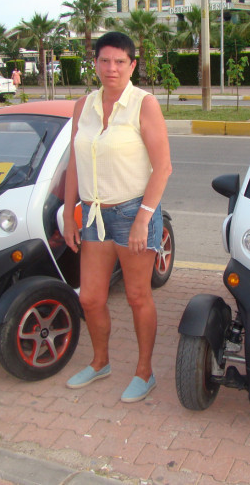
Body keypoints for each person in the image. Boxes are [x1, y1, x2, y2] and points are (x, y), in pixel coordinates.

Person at [63, 31, 172, 403]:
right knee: (91, 298)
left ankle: (144, 372)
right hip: (93, 215)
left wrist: (143, 218)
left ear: (132, 65)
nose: (112, 68)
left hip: (132, 213)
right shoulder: (83, 106)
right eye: (105, 60)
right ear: (94, 63)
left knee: (138, 297)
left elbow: (163, 167)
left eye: (120, 61)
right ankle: (100, 362)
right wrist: (69, 213)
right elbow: (75, 163)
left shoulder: (144, 104)